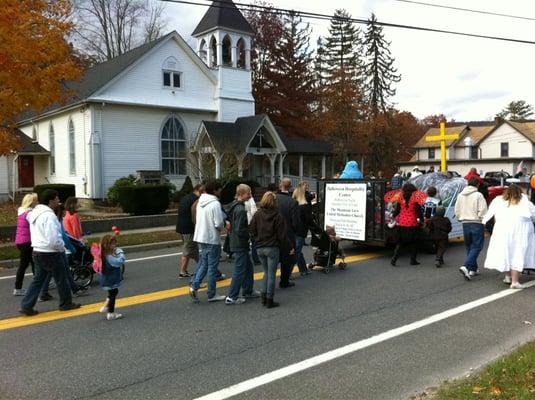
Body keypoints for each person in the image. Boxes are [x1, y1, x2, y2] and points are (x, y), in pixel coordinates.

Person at [19, 189, 81, 316]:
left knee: (38, 280)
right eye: (57, 199)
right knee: (61, 278)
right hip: (50, 252)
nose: (59, 202)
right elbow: (53, 238)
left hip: (37, 250)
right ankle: (66, 304)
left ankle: (26, 305)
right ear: (51, 201)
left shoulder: (34, 213)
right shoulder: (49, 216)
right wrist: (60, 247)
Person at [482, 185, 535, 289]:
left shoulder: (499, 202)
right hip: (521, 231)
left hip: (502, 230)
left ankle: (508, 276)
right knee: (518, 252)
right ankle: (515, 281)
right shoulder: (525, 203)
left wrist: (484, 222)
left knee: (506, 252)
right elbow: (534, 215)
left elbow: (489, 214)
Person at [250, 191, 293, 308]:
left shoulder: (257, 214)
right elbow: (282, 235)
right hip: (272, 247)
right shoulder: (277, 216)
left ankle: (263, 297)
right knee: (272, 274)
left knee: (266, 272)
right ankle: (270, 299)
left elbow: (252, 230)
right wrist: (290, 247)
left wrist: (257, 240)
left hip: (260, 247)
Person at [190, 180, 227, 302]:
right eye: (219, 189)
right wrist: (222, 226)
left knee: (204, 264)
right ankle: (211, 294)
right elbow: (218, 223)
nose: (221, 191)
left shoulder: (200, 201)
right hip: (211, 237)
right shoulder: (215, 204)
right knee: (212, 267)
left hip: (200, 236)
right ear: (215, 190)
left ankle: (194, 286)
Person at [225, 184, 260, 305]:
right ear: (241, 194)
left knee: (248, 267)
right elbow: (240, 229)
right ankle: (232, 296)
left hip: (236, 242)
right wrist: (249, 234)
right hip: (240, 243)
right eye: (248, 193)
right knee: (239, 270)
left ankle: (248, 290)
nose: (250, 195)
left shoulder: (235, 206)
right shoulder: (240, 210)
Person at [455, 177, 488, 280]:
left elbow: (457, 210)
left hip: (465, 223)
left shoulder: (460, 195)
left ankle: (473, 269)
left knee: (470, 246)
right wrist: (483, 220)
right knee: (477, 246)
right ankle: (466, 266)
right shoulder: (478, 195)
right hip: (476, 223)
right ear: (477, 185)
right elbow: (483, 210)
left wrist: (460, 217)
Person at [390, 183, 423, 266]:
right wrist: (421, 220)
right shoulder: (415, 200)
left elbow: (397, 210)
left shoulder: (400, 199)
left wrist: (393, 216)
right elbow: (419, 212)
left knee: (400, 243)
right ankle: (413, 260)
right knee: (414, 243)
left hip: (402, 223)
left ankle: (394, 259)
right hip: (413, 223)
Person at [276, 178, 300, 288]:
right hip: (288, 234)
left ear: (280, 185)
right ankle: (284, 280)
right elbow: (296, 222)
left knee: (274, 259)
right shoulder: (292, 202)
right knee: (288, 260)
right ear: (290, 187)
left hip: (274, 233)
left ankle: (269, 283)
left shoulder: (273, 199)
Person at [176, 184, 204, 278]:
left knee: (193, 250)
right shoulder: (195, 200)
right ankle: (182, 272)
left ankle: (184, 271)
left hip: (182, 227)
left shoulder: (186, 198)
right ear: (198, 191)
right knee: (188, 250)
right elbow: (195, 216)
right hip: (189, 228)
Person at [13, 193, 38, 296]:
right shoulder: (29, 214)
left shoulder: (22, 211)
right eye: (36, 201)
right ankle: (17, 288)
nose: (38, 203)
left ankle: (39, 283)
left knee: (33, 262)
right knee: (24, 265)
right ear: (31, 202)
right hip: (26, 242)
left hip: (21, 241)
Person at [98, 235, 126, 320]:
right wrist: (120, 252)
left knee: (112, 293)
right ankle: (111, 313)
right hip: (111, 280)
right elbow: (120, 261)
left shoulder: (103, 254)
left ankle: (106, 306)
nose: (115, 245)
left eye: (115, 243)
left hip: (106, 279)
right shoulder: (109, 257)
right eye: (113, 244)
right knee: (113, 294)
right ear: (107, 245)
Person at [292, 184, 313, 276]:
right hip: (301, 231)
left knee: (297, 251)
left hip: (293, 230)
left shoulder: (292, 204)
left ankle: (303, 269)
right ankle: (287, 273)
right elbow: (309, 219)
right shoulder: (304, 206)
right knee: (297, 252)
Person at [245, 195, 261, 265]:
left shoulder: (240, 200)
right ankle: (256, 259)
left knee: (245, 240)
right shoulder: (251, 199)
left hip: (244, 221)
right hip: (250, 222)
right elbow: (254, 211)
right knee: (254, 241)